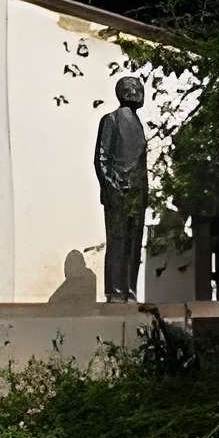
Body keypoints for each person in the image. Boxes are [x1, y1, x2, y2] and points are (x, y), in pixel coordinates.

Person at [93, 75, 150, 302]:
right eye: (130, 88)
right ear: (121, 92)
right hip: (119, 191)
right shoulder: (111, 120)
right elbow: (101, 158)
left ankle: (130, 290)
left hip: (138, 193)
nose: (136, 91)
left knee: (134, 244)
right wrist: (113, 187)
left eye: (138, 87)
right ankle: (116, 291)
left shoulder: (138, 123)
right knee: (118, 240)